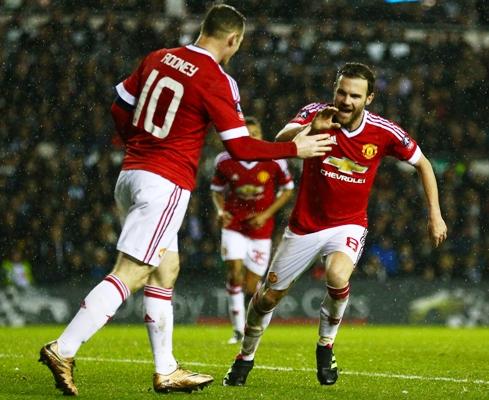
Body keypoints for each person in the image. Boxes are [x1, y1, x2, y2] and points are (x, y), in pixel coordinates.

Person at [38, 4, 334, 396]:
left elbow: (118, 105)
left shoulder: (160, 57)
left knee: (165, 270)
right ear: (234, 40)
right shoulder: (217, 79)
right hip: (165, 182)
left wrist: (141, 145)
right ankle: (64, 347)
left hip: (131, 174)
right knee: (134, 271)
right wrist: (294, 149)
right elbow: (240, 146)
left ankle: (166, 370)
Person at [223, 62, 448, 387]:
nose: (345, 100)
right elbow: (280, 140)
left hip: (348, 225)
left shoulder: (383, 132)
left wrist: (435, 214)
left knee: (337, 275)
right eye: (341, 92)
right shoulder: (316, 113)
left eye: (354, 95)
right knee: (266, 300)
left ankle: (325, 345)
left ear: (368, 98)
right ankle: (245, 356)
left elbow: (423, 163)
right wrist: (312, 128)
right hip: (304, 227)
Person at [211, 116, 294, 344]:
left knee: (251, 286)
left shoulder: (274, 159)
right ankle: (238, 329)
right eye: (247, 134)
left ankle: (251, 324)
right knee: (234, 273)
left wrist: (266, 215)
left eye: (255, 134)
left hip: (261, 230)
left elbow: (288, 189)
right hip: (234, 226)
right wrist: (220, 211)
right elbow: (216, 190)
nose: (251, 138)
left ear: (261, 136)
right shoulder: (225, 160)